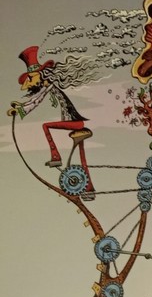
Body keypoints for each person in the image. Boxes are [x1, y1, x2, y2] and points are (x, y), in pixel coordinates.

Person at [7, 46, 96, 198]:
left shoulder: (48, 87)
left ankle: (56, 157)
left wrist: (21, 109)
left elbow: (36, 101)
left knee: (45, 126)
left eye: (31, 78)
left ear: (41, 75)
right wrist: (20, 107)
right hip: (76, 124)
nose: (29, 83)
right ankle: (89, 189)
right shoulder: (47, 87)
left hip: (76, 123)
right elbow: (34, 100)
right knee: (82, 157)